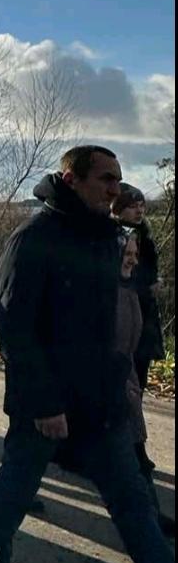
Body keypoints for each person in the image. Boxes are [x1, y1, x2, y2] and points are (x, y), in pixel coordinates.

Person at [0, 146, 174, 563]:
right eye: (106, 178)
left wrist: (120, 382)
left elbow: (108, 323)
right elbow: (13, 326)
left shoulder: (107, 238)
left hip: (101, 409)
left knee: (137, 514)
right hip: (47, 407)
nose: (116, 189)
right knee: (16, 485)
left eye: (119, 180)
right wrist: (43, 403)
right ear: (71, 178)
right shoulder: (34, 237)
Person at [112, 185, 174, 537]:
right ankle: (145, 516)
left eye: (142, 206)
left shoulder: (143, 239)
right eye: (133, 206)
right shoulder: (109, 242)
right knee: (128, 429)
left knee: (134, 404)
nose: (139, 211)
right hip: (118, 342)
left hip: (141, 330)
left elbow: (145, 274)